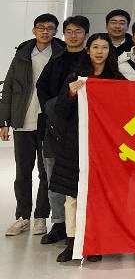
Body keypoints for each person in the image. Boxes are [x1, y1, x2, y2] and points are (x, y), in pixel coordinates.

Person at [49, 34, 125, 262]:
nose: (100, 52)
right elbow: (60, 111)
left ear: (110, 51)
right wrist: (71, 93)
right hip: (75, 145)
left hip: (104, 147)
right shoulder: (76, 77)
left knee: (99, 196)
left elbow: (125, 113)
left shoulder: (117, 80)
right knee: (72, 196)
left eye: (104, 47)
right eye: (95, 47)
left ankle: (94, 242)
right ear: (88, 50)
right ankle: (72, 242)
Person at [1, 13, 62, 238]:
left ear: (56, 31)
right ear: (34, 30)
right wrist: (4, 121)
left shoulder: (61, 54)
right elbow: (8, 88)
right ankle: (22, 217)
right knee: (22, 173)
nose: (45, 32)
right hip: (23, 121)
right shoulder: (22, 54)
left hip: (48, 123)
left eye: (50, 28)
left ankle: (41, 218)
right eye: (41, 27)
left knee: (46, 173)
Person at [35, 16, 90, 246]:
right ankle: (58, 223)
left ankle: (80, 226)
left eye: (78, 31)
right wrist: (53, 109)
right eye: (69, 31)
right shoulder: (56, 60)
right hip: (54, 127)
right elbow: (42, 87)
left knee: (81, 178)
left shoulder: (90, 59)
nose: (73, 36)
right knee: (53, 175)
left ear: (86, 34)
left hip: (84, 128)